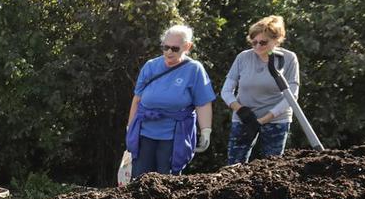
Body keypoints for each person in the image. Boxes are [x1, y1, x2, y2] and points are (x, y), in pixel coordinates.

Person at [124, 24, 215, 178]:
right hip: (145, 133)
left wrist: (206, 131)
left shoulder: (194, 69)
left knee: (167, 180)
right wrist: (130, 126)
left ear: (187, 47)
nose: (169, 52)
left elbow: (203, 102)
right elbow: (137, 99)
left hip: (173, 137)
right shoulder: (151, 66)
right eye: (165, 47)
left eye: (174, 48)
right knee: (139, 179)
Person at [220, 15, 300, 166]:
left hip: (276, 119)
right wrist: (240, 109)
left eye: (263, 43)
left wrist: (264, 119)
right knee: (234, 164)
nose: (257, 46)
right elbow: (226, 90)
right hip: (244, 118)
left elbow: (292, 95)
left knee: (271, 166)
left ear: (276, 40)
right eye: (253, 42)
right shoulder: (243, 57)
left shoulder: (288, 58)